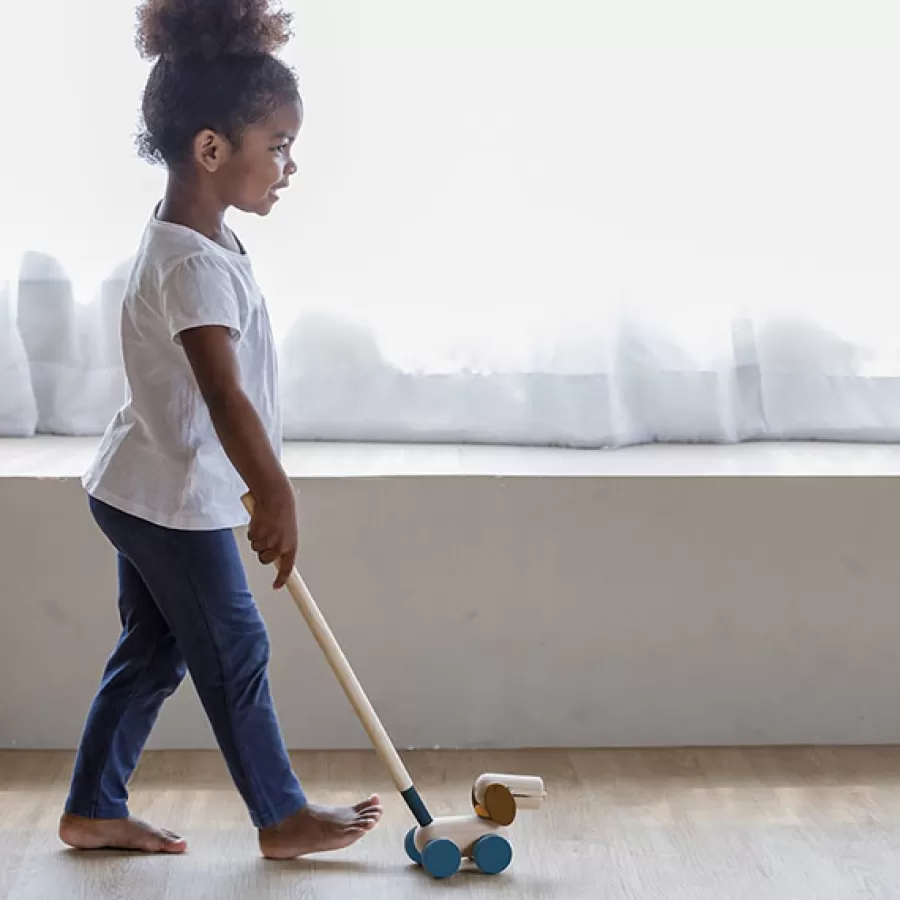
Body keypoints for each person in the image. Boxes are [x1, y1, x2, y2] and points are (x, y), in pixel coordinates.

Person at [58, 0, 382, 858]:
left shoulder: (196, 241)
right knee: (235, 649)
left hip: (140, 484)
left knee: (155, 652)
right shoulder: (193, 265)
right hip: (169, 500)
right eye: (277, 145)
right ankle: (280, 818)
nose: (289, 164)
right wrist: (274, 491)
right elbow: (225, 395)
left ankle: (92, 806)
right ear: (211, 149)